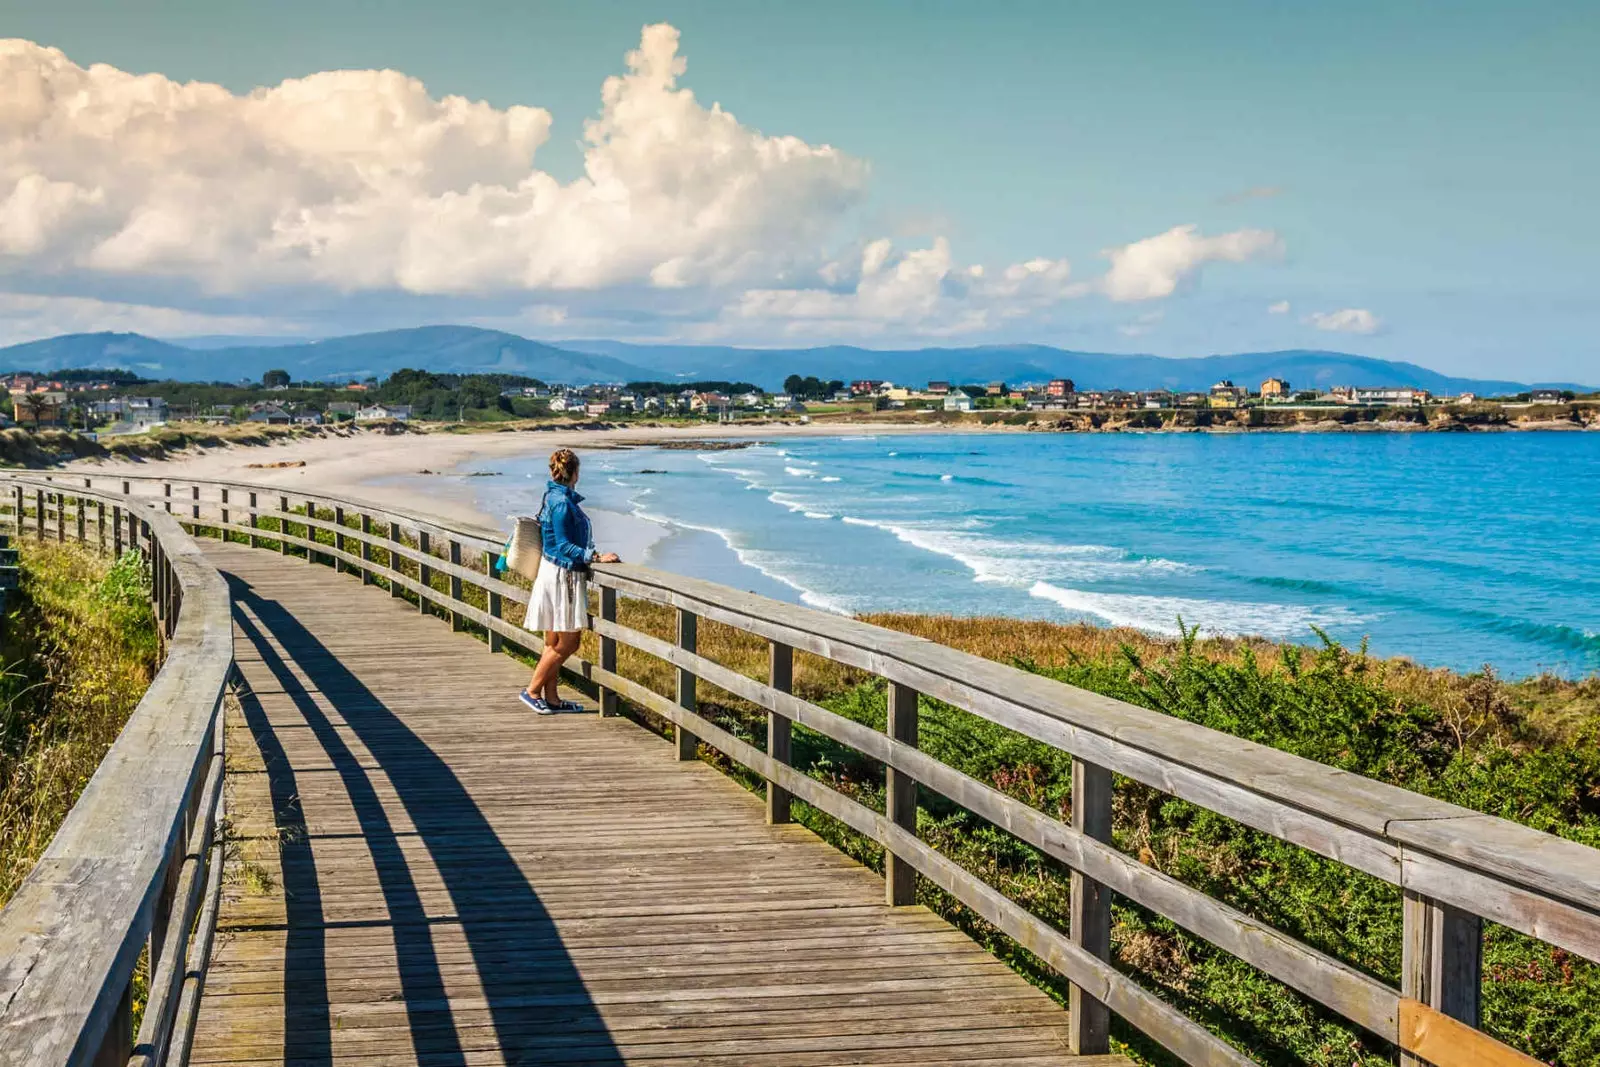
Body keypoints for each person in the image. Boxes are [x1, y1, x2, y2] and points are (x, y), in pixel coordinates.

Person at [521, 449, 619, 713]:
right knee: (569, 643)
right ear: (574, 472)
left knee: (553, 643)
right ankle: (531, 691)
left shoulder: (553, 496)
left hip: (553, 573)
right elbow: (564, 545)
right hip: (562, 576)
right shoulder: (562, 503)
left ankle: (551, 697)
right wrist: (594, 556)